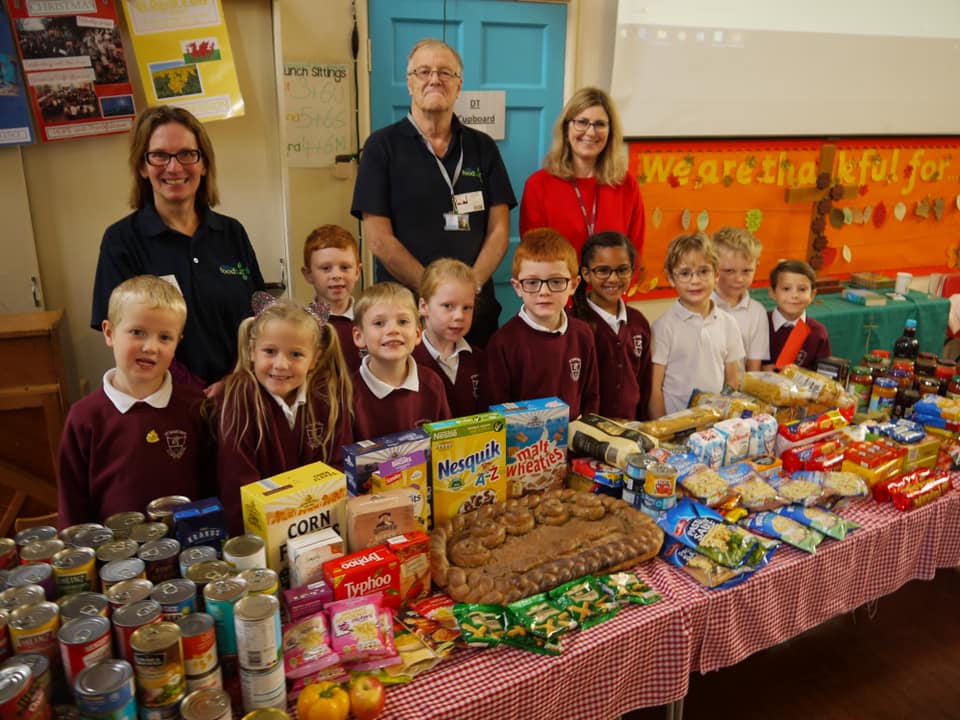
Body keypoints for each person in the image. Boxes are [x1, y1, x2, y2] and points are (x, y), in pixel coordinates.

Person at [350, 38, 516, 347]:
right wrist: (434, 294)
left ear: (458, 85)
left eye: (445, 72)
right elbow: (379, 239)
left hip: (473, 310)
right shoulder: (381, 147)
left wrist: (467, 291)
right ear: (410, 83)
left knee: (474, 389)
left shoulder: (483, 147)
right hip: (407, 312)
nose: (434, 79)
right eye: (423, 71)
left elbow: (499, 230)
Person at [91, 105, 265, 396]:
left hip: (237, 393)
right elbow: (124, 334)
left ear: (204, 164)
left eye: (186, 154)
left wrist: (235, 379)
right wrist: (191, 390)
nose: (174, 167)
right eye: (159, 155)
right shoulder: (121, 241)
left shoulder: (231, 232)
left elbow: (258, 319)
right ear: (143, 167)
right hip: (163, 399)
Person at [57, 276, 212, 528]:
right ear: (109, 332)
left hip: (190, 548)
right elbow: (72, 503)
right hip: (114, 555)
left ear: (177, 343)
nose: (151, 347)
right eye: (137, 332)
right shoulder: (84, 417)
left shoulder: (197, 406)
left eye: (165, 338)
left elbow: (212, 484)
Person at [216, 293, 353, 535]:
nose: (281, 364)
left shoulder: (327, 398)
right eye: (269, 351)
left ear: (314, 359)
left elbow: (338, 467)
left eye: (296, 354)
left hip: (320, 527)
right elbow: (237, 484)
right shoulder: (239, 399)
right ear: (251, 351)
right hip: (261, 535)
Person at [483, 228, 600, 419]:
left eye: (555, 281)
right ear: (517, 287)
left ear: (573, 284)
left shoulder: (582, 334)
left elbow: (591, 398)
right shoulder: (503, 343)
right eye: (532, 282)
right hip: (522, 446)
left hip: (573, 443)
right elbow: (495, 412)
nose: (544, 292)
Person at [519, 87, 645, 259]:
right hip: (559, 285)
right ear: (566, 127)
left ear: (611, 131)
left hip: (613, 285)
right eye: (582, 122)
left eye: (600, 124)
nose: (591, 132)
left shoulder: (626, 184)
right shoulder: (538, 185)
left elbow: (634, 253)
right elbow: (534, 255)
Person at [650, 232, 744, 418]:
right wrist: (661, 429)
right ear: (670, 278)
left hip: (714, 428)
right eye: (685, 273)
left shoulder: (728, 323)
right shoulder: (663, 327)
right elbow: (654, 388)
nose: (695, 280)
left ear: (716, 274)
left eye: (703, 271)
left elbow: (732, 380)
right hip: (675, 425)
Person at [351, 282, 451, 441]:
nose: (393, 330)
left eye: (403, 322)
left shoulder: (432, 383)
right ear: (359, 336)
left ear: (418, 333)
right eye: (379, 323)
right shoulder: (347, 393)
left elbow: (446, 443)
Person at [571, 231, 651, 420]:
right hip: (588, 436)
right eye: (603, 270)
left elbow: (645, 383)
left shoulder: (638, 322)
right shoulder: (574, 324)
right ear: (586, 274)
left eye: (622, 270)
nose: (613, 279)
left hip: (631, 432)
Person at [414, 258, 484, 417]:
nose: (459, 316)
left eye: (467, 308)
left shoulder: (479, 360)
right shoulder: (407, 360)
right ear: (423, 306)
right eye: (448, 306)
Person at [301, 224, 364, 374]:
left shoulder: (370, 321)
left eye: (344, 267)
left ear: (357, 271)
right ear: (308, 274)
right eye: (325, 268)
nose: (336, 275)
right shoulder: (300, 326)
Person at [712, 227, 769, 374]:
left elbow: (753, 368)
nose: (739, 279)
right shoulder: (700, 306)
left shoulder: (757, 312)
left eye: (746, 271)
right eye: (729, 271)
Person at [765, 259, 831, 370]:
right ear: (772, 292)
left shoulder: (818, 333)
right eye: (786, 289)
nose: (794, 295)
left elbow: (824, 375)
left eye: (802, 289)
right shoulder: (760, 323)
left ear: (812, 295)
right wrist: (762, 370)